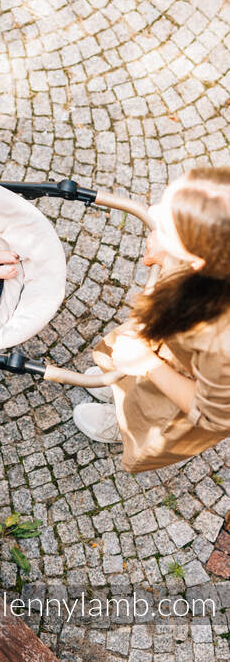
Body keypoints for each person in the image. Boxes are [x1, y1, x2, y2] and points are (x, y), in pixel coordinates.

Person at [73, 167, 230, 472]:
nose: (154, 211)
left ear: (202, 258)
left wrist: (147, 365)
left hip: (183, 388)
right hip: (171, 345)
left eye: (169, 225)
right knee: (126, 369)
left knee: (149, 408)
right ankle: (121, 390)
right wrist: (171, 251)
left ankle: (123, 423)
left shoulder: (224, 342)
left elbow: (215, 415)